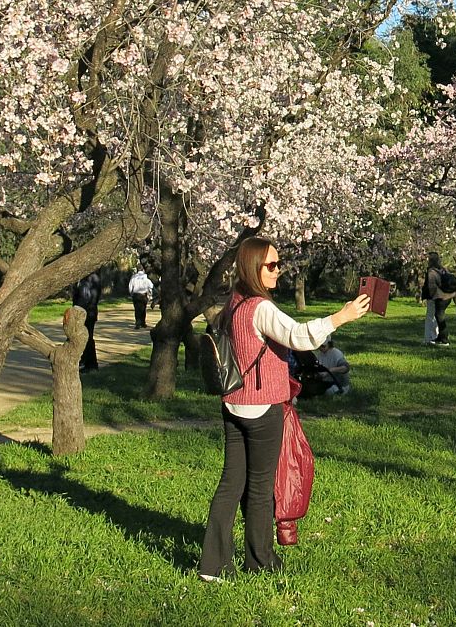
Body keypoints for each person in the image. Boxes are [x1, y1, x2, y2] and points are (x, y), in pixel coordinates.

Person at [197, 236, 370, 581]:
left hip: (233, 403)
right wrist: (341, 317)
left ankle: (213, 565)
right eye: (271, 265)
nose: (278, 271)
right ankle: (260, 560)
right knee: (261, 488)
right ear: (253, 268)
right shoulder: (260, 308)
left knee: (231, 484)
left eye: (279, 264)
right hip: (263, 408)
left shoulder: (233, 303)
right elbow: (299, 336)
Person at [72, 269, 103, 372]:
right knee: (85, 337)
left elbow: (86, 297)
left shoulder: (90, 278)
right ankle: (86, 360)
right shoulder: (88, 278)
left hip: (87, 312)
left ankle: (91, 364)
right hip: (87, 311)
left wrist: (78, 310)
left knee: (87, 338)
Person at [421, 252, 454, 346]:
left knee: (430, 317)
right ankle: (436, 336)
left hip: (434, 297)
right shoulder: (443, 269)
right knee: (437, 317)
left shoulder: (431, 271)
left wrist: (429, 296)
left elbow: (431, 285)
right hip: (444, 296)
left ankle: (428, 339)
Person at [127, 266, 154, 331]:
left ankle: (138, 323)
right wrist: (150, 294)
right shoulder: (146, 277)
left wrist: (131, 293)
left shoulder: (133, 277)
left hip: (136, 295)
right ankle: (143, 322)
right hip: (143, 295)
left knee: (137, 309)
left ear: (137, 269)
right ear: (143, 270)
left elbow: (130, 286)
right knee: (143, 309)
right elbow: (151, 286)